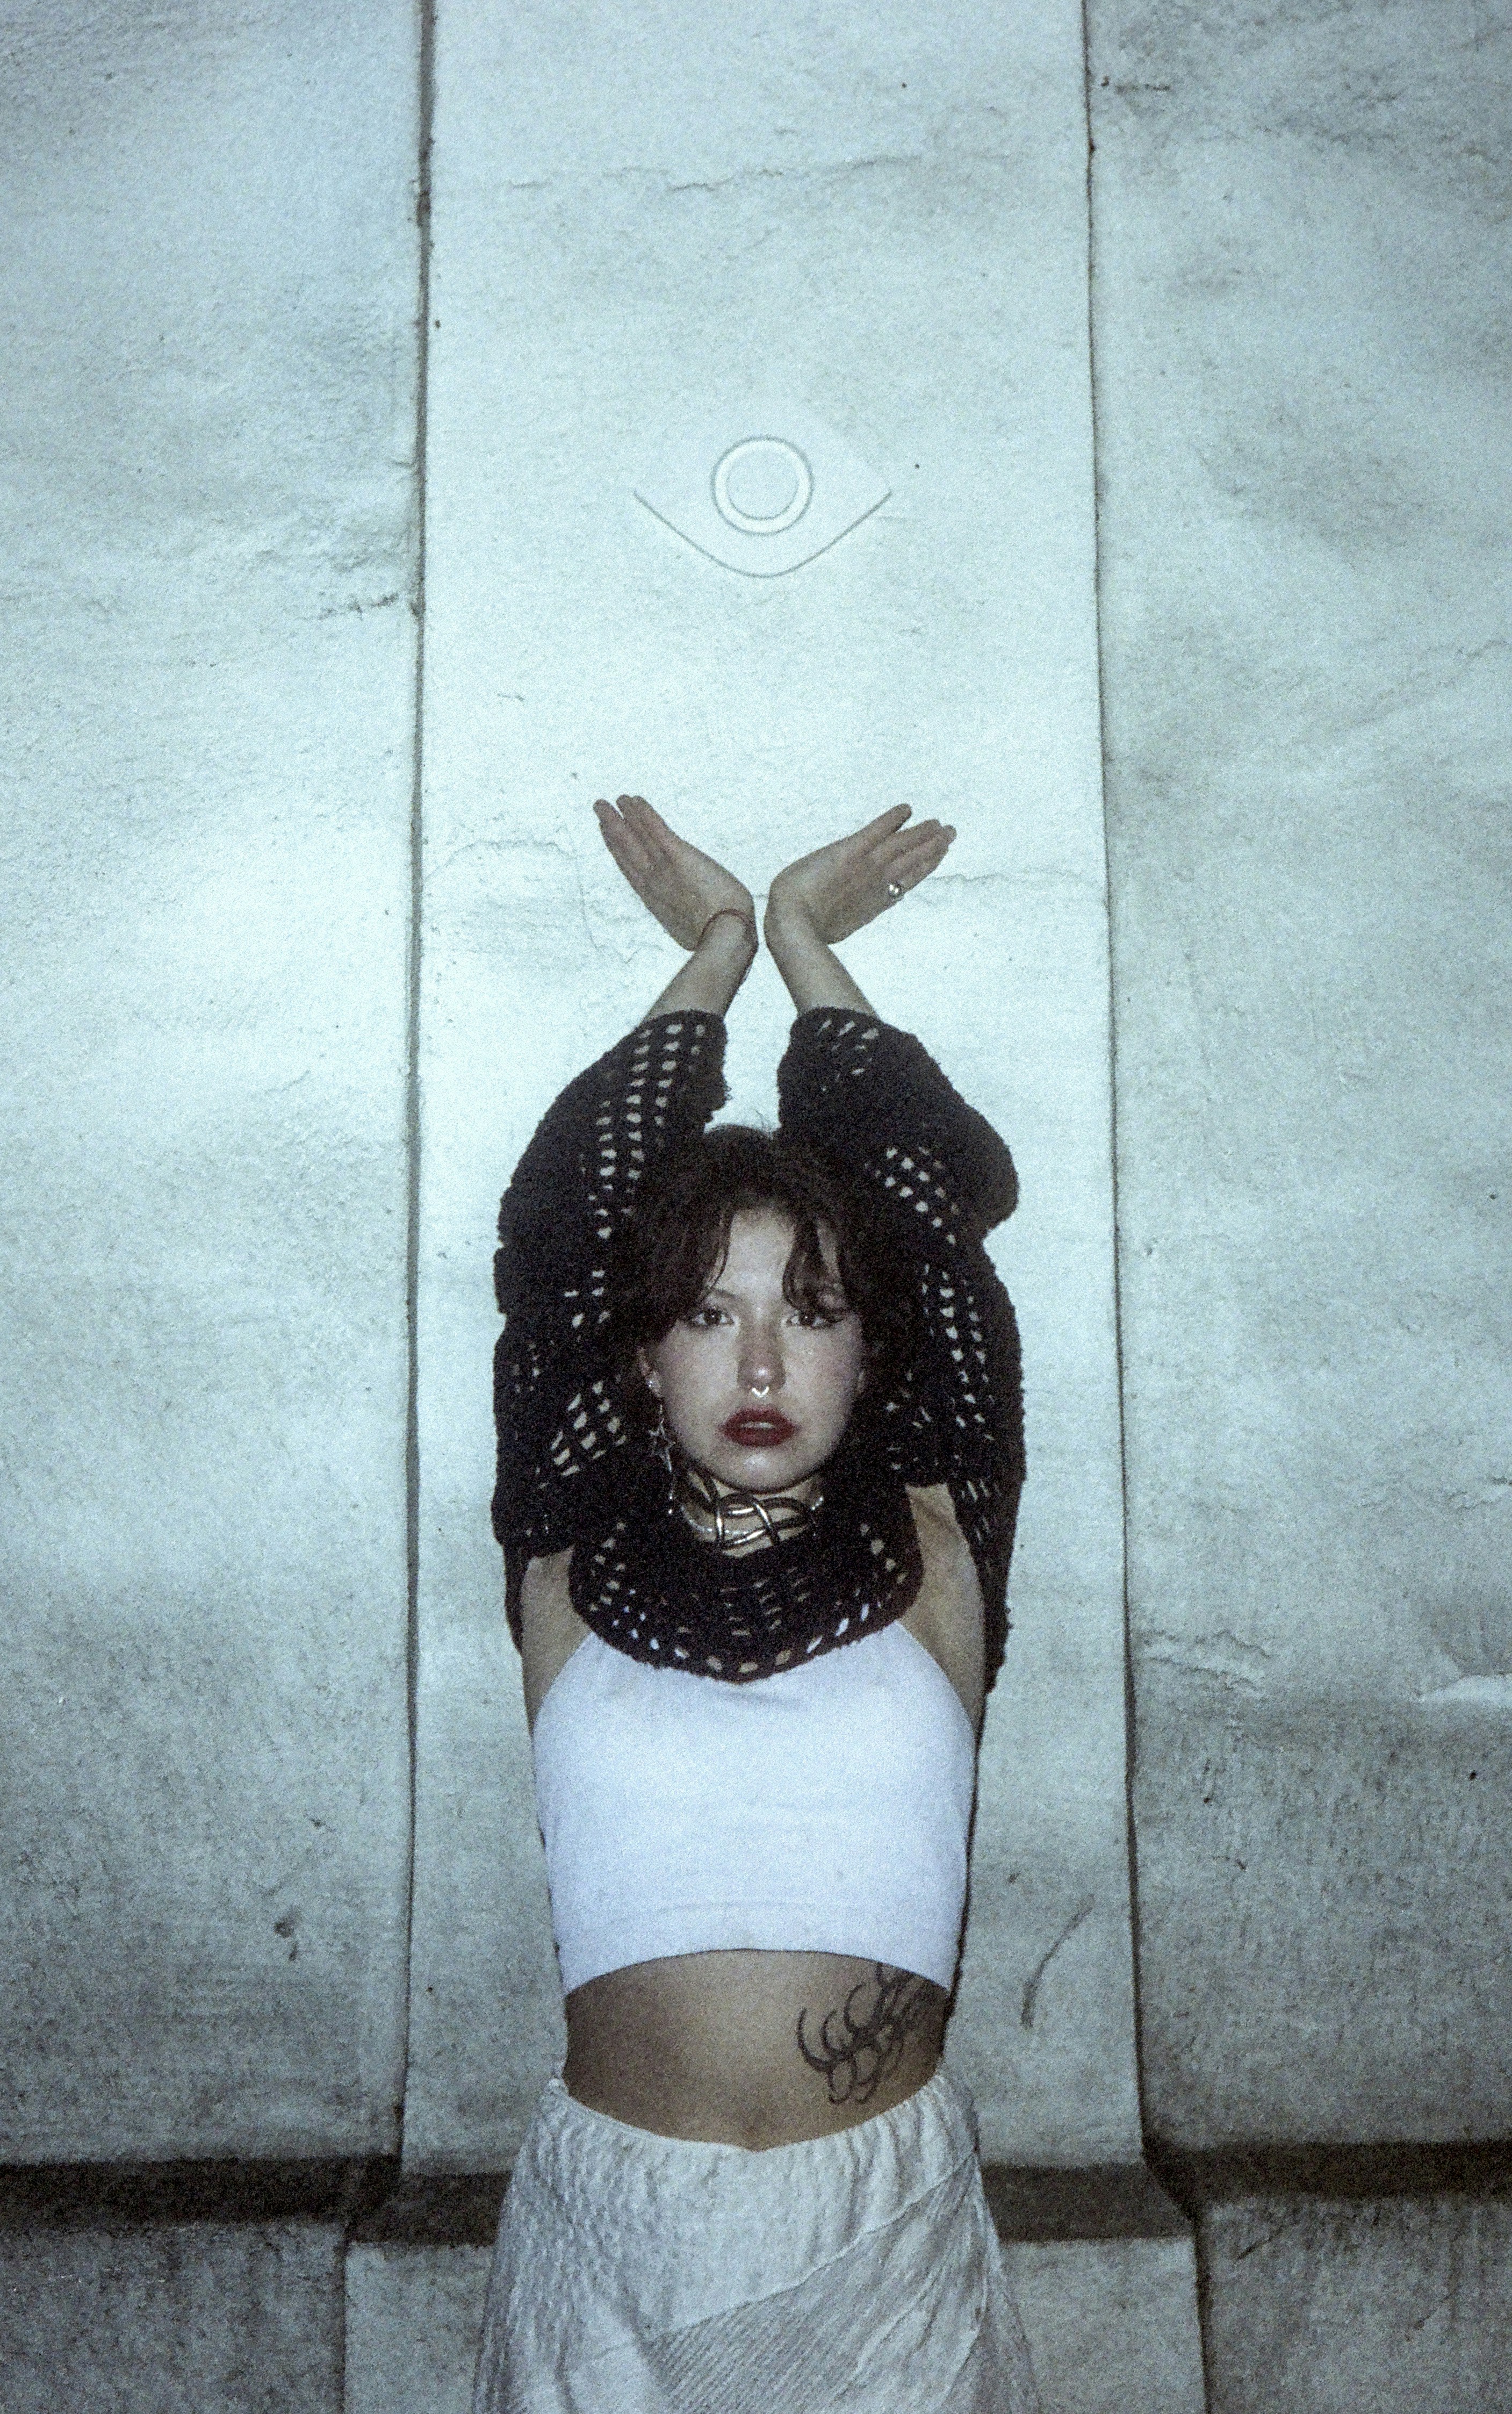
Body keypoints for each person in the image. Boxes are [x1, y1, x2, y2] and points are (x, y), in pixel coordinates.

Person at [473, 794, 1039, 2412]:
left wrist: (810, 942)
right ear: (645, 1355)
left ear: (876, 1352)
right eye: (710, 1314)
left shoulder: (938, 1543)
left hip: (888, 2260)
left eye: (812, 1311)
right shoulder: (569, 1558)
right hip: (610, 2262)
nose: (767, 1363)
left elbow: (938, 1219)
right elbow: (560, 1233)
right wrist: (714, 960)